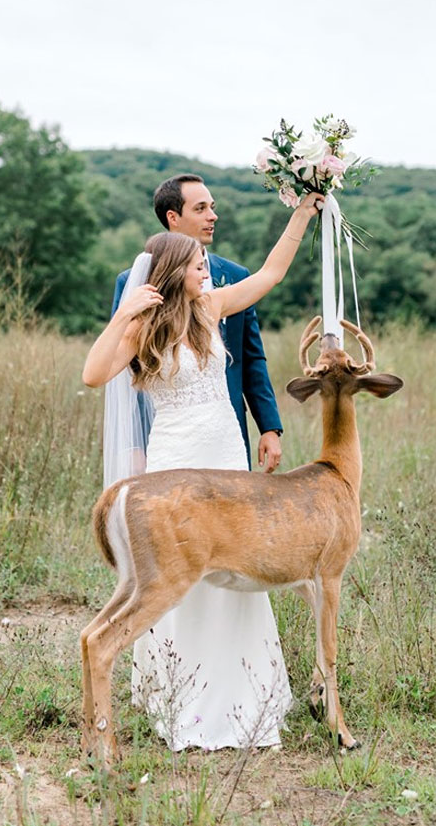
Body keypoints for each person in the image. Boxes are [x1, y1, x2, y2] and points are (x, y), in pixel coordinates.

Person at [83, 190, 323, 751]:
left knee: (238, 568)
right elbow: (95, 374)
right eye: (197, 267)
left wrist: (301, 215)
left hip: (224, 456)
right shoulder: (144, 329)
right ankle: (180, 697)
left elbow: (269, 274)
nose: (207, 272)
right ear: (175, 272)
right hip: (175, 458)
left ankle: (242, 697)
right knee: (177, 575)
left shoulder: (213, 309)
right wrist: (124, 313)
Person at [112, 175, 283, 472]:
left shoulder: (235, 274)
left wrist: (269, 427)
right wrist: (134, 445)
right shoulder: (133, 282)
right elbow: (125, 371)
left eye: (212, 207)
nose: (212, 216)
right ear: (173, 217)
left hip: (227, 430)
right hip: (166, 432)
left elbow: (252, 357)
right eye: (201, 208)